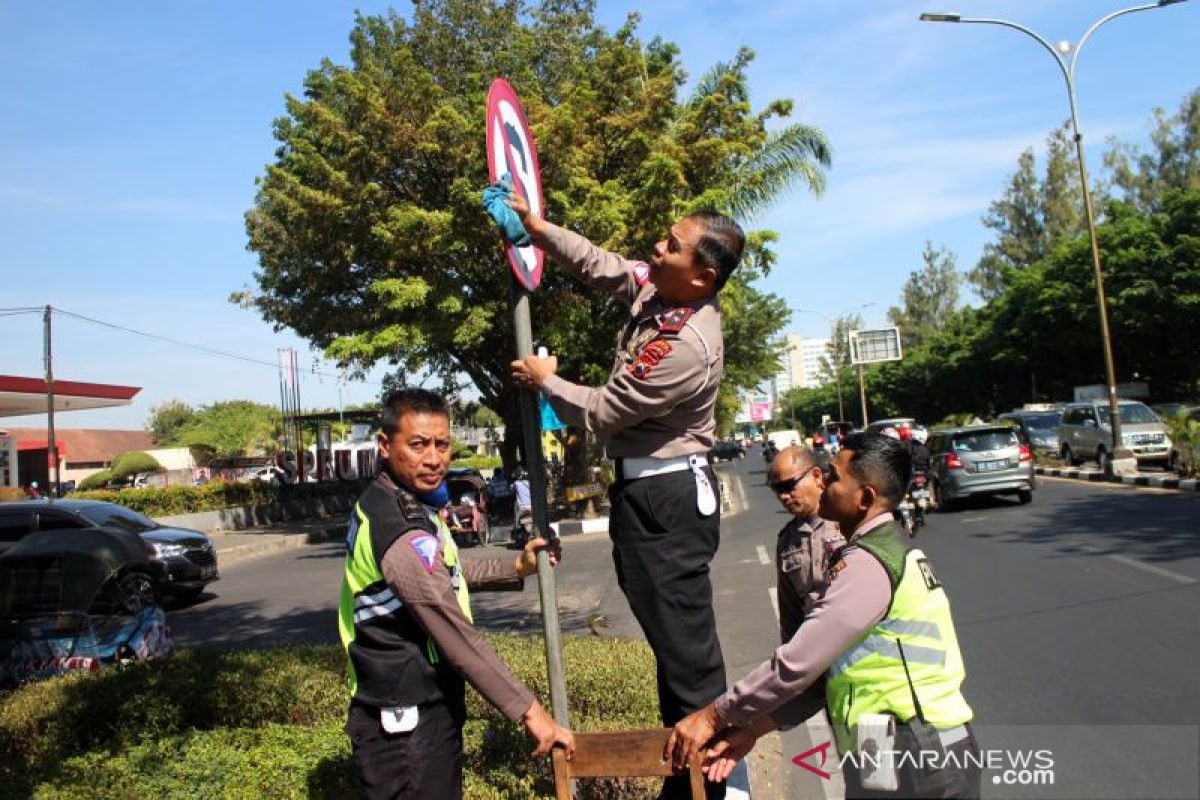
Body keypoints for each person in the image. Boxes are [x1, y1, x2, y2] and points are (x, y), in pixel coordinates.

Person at [497, 184, 743, 800]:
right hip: (645, 496)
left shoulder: (685, 342)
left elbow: (607, 411)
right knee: (668, 644)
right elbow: (603, 265)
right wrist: (539, 227)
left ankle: (718, 783)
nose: (656, 250)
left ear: (703, 276)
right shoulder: (661, 291)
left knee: (687, 655)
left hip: (669, 501)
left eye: (672, 246)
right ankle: (687, 778)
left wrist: (548, 383)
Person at [668, 433, 980, 799]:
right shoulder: (876, 551)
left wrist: (713, 716)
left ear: (864, 499)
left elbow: (798, 662)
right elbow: (821, 673)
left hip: (917, 748)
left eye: (833, 477)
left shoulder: (869, 563)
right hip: (886, 745)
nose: (824, 483)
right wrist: (753, 729)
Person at [339, 388, 574, 800]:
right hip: (405, 727)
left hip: (411, 711)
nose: (433, 459)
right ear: (384, 445)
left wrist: (513, 567)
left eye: (441, 444)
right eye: (417, 445)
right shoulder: (399, 527)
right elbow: (453, 633)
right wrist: (530, 712)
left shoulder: (397, 501)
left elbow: (445, 569)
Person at [767, 445, 845, 644]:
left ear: (817, 476)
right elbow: (790, 614)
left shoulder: (847, 520)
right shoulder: (787, 541)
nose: (783, 496)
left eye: (789, 486)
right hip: (817, 650)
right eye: (777, 490)